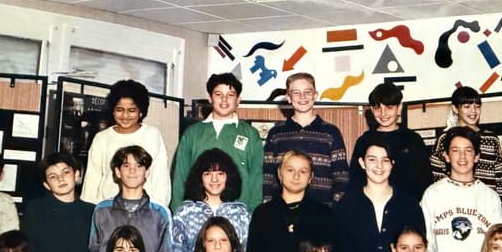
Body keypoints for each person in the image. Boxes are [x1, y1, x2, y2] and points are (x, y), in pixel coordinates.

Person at [335, 139, 425, 252]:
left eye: (385, 160)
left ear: (392, 163)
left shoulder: (409, 204)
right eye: (372, 159)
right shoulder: (346, 205)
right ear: (362, 163)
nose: (379, 166)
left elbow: (419, 249)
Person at [246, 150, 336, 252]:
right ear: (279, 174)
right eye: (290, 170)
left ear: (311, 177)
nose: (296, 176)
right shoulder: (262, 213)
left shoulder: (324, 214)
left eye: (303, 171)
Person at [421, 126, 502, 252]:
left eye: (468, 150)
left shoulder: (490, 197)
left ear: (477, 156)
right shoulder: (432, 194)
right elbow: (424, 242)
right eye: (455, 151)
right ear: (446, 156)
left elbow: (498, 246)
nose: (462, 157)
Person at [163, 148, 250, 252]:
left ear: (228, 177)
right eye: (208, 173)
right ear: (199, 177)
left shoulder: (241, 214)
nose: (214, 179)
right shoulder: (186, 212)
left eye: (220, 173)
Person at [172, 73, 263, 212]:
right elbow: (180, 176)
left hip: (238, 213)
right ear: (209, 98)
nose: (224, 100)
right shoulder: (192, 133)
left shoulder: (250, 134)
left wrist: (253, 215)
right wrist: (178, 211)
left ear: (238, 99)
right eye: (218, 94)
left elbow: (256, 178)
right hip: (198, 212)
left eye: (230, 95)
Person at [81, 79, 171, 208]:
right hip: (108, 209)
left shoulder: (152, 135)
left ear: (141, 112)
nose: (125, 115)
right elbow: (92, 180)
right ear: (113, 110)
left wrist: (158, 209)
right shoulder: (102, 138)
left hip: (145, 210)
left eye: (132, 110)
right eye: (120, 109)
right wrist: (91, 210)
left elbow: (161, 179)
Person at [263, 72, 348, 206]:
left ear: (315, 95)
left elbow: (341, 176)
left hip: (322, 208)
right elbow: (268, 176)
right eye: (296, 93)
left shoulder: (331, 133)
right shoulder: (276, 134)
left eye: (307, 92)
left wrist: (335, 208)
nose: (302, 97)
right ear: (288, 98)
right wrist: (268, 205)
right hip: (283, 209)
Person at [89, 145, 172, 252]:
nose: (132, 171)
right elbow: (95, 251)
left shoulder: (159, 212)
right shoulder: (102, 210)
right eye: (126, 165)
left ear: (147, 172)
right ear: (118, 172)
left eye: (139, 166)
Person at [348, 82, 432, 200]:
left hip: (407, 205)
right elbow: (355, 181)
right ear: (371, 109)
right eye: (378, 108)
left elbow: (425, 180)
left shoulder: (413, 139)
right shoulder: (364, 141)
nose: (383, 113)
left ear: (399, 107)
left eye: (389, 107)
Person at [429, 86, 502, 199]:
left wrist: (499, 203)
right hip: (454, 203)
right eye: (467, 106)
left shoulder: (491, 139)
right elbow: (437, 176)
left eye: (477, 106)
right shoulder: (445, 138)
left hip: (485, 202)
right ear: (455, 109)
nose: (473, 111)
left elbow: (499, 177)